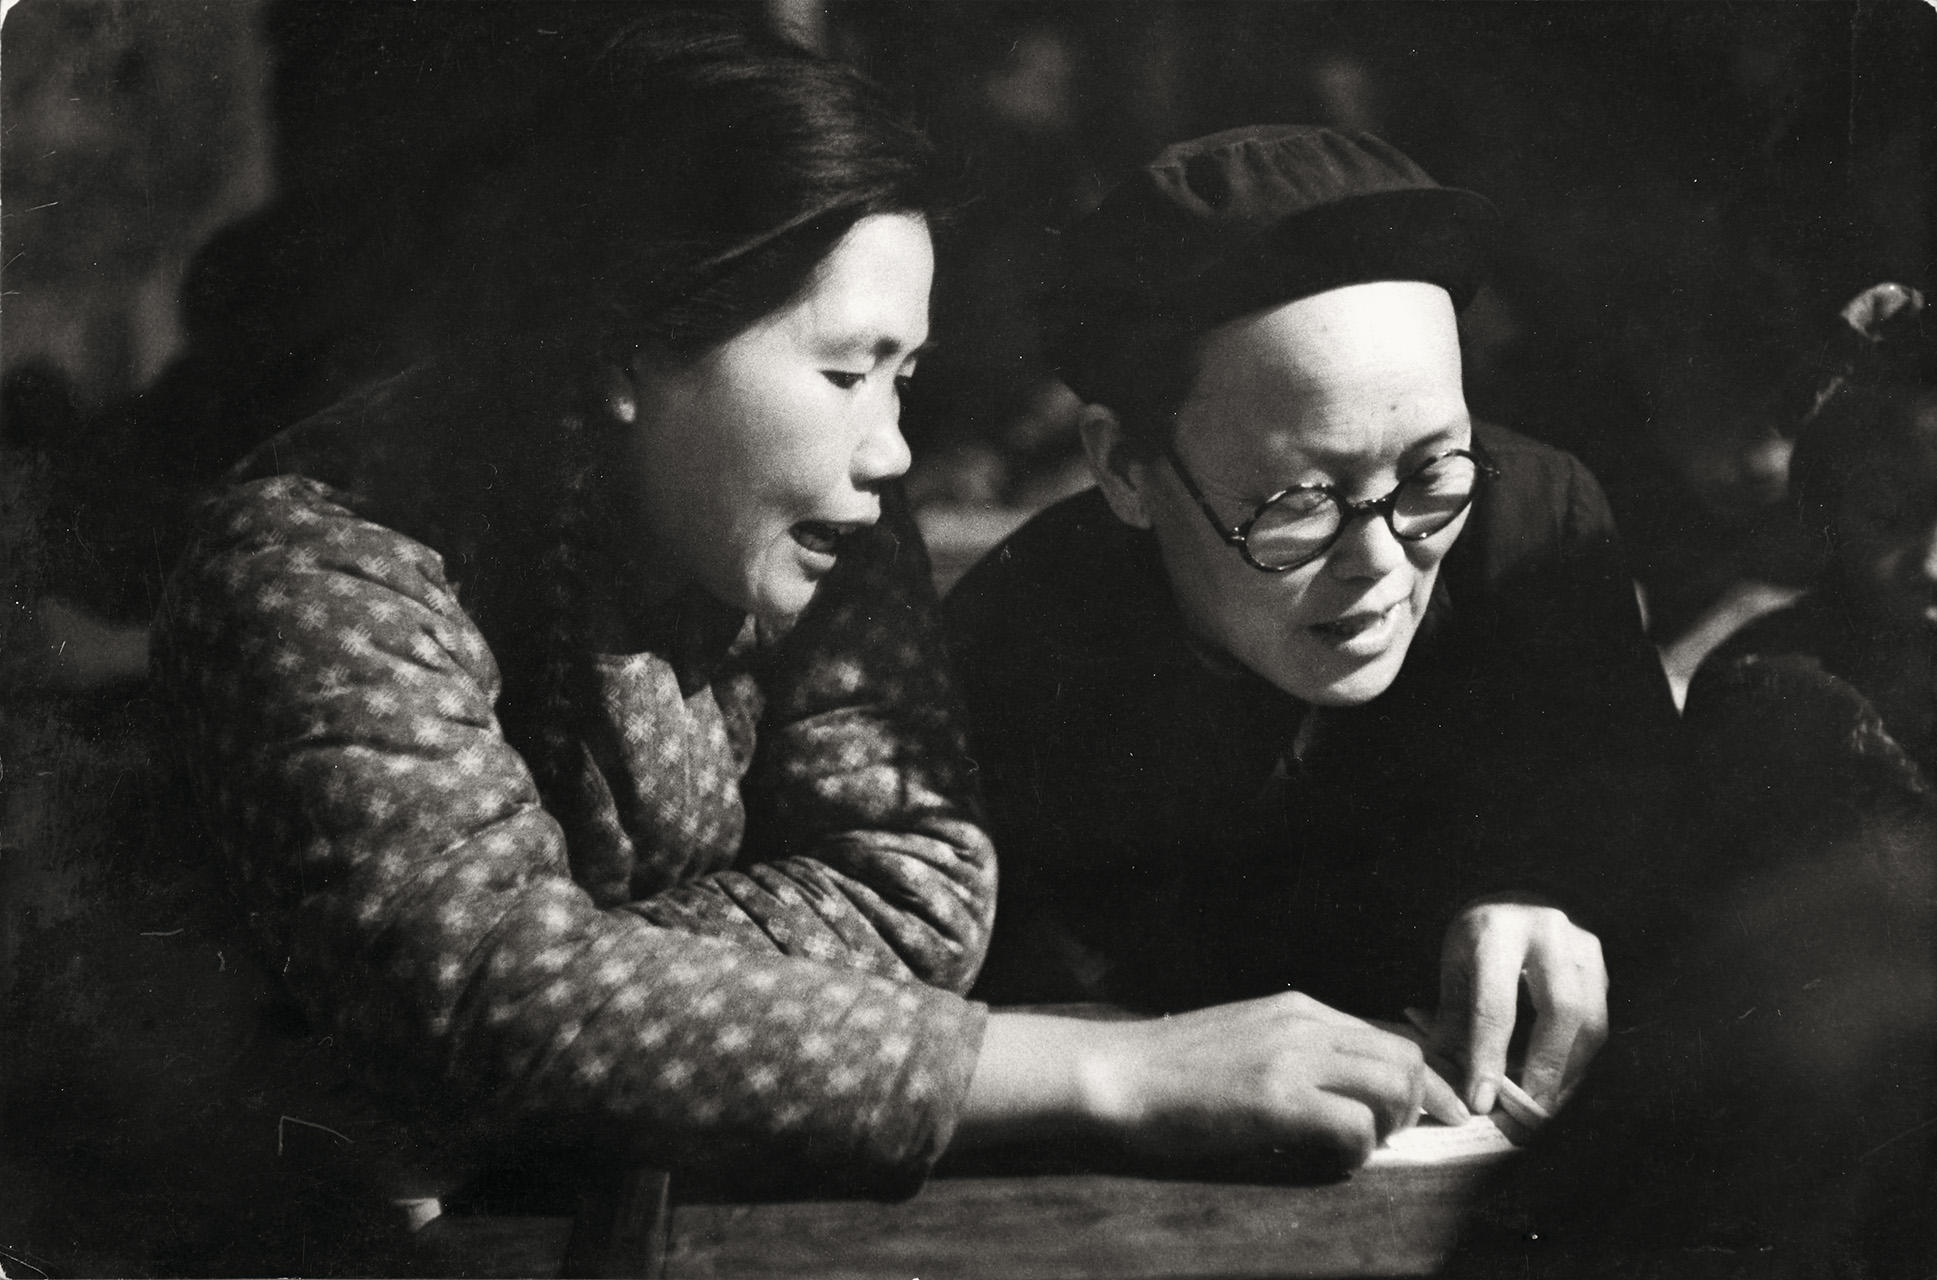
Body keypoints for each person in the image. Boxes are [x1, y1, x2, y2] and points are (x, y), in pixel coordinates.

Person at [132, 26, 1461, 1270]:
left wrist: (567, 1002)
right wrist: (1115, 1073)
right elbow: (483, 993)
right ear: (629, 349)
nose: (890, 448)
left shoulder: (826, 510)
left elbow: (917, 888)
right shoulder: (320, 559)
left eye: (906, 376)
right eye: (844, 372)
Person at [949, 126, 1684, 1125]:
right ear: (1124, 469)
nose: (1379, 558)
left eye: (1430, 472)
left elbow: (1643, 854)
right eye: (1297, 503)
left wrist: (1550, 891)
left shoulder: (1535, 531)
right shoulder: (1017, 640)